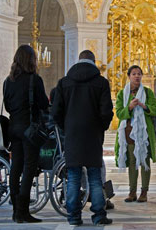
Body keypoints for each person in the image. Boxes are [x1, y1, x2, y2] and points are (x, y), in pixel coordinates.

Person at [52, 50, 113, 226]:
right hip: (93, 135)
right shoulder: (101, 83)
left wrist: (67, 128)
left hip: (72, 135)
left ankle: (73, 215)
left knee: (73, 176)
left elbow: (56, 112)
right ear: (94, 62)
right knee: (94, 175)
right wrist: (101, 127)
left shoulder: (64, 83)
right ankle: (99, 215)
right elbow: (106, 112)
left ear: (78, 61)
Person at [3, 45, 49, 223]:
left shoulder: (8, 81)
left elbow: (7, 105)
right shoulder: (34, 80)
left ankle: (16, 210)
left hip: (13, 127)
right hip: (29, 129)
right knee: (29, 168)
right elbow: (44, 103)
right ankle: (23, 211)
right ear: (32, 60)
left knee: (15, 167)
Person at [114, 65, 156, 203]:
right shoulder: (122, 93)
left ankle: (144, 192)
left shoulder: (148, 92)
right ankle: (132, 191)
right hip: (128, 132)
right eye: (134, 74)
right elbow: (119, 113)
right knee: (132, 162)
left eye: (139, 74)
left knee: (145, 160)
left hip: (144, 133)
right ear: (129, 76)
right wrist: (130, 107)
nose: (137, 76)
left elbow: (155, 110)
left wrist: (143, 106)